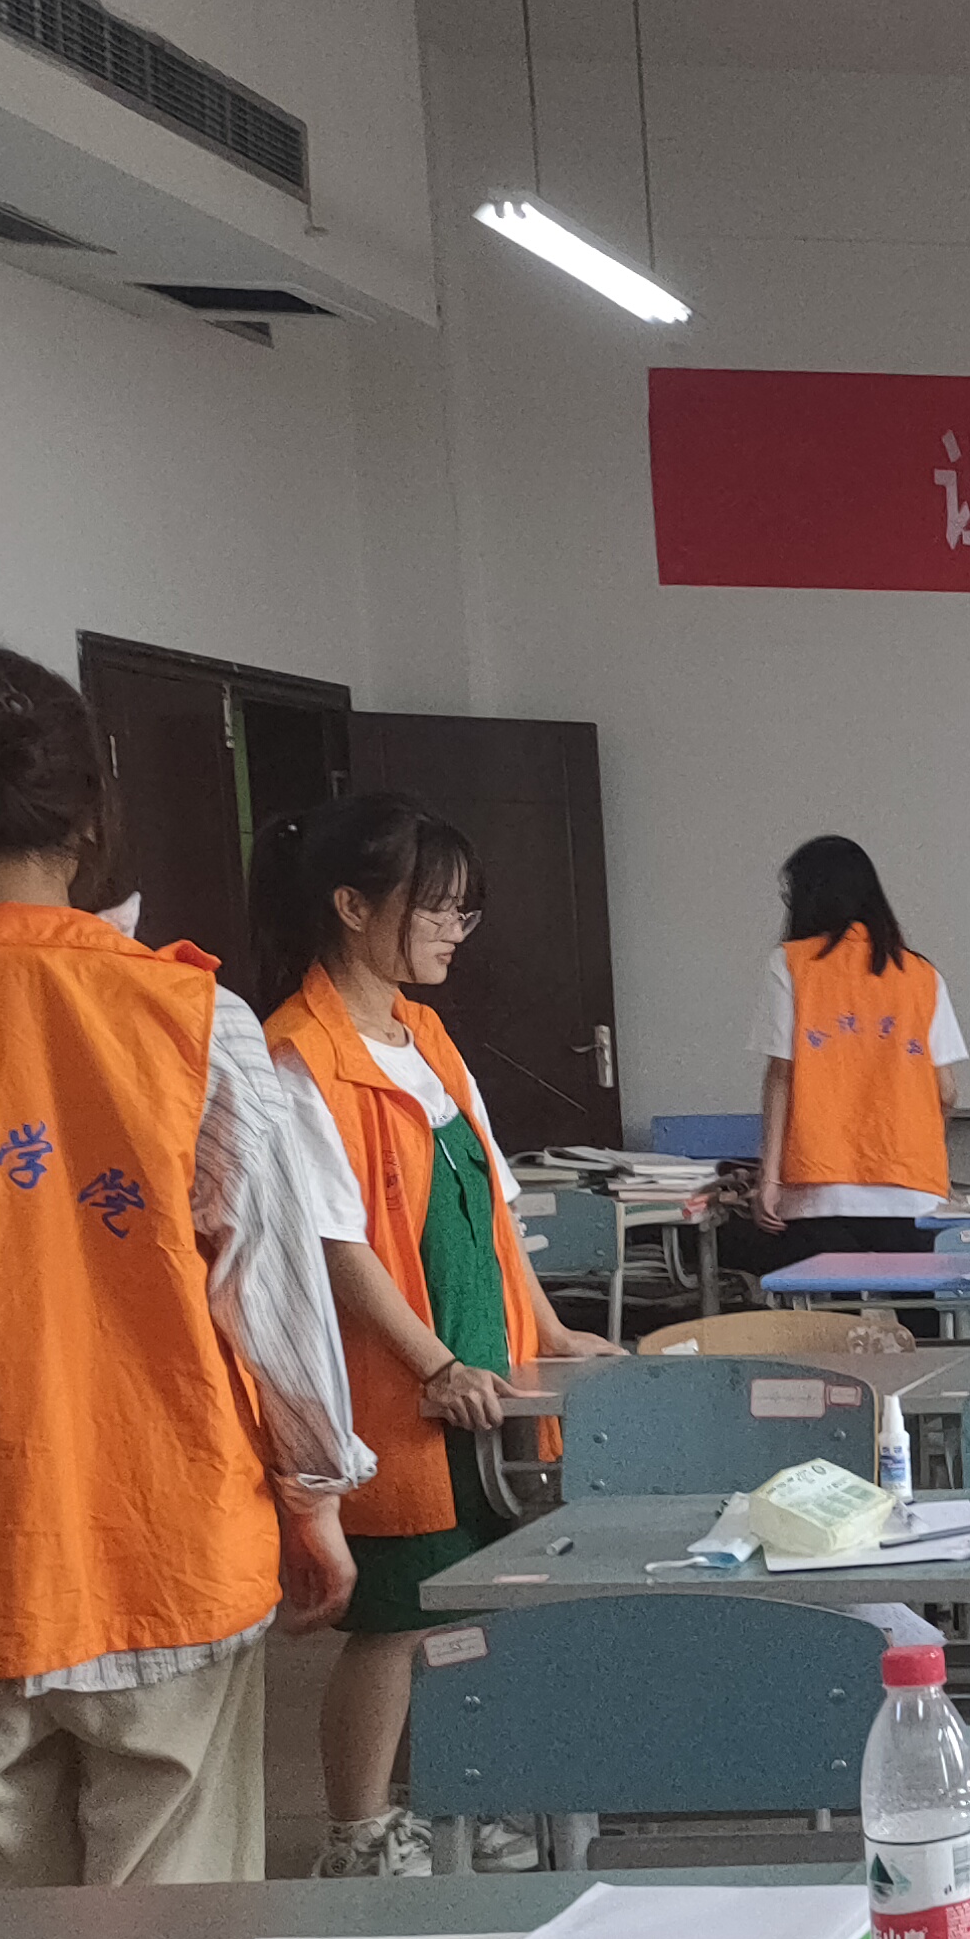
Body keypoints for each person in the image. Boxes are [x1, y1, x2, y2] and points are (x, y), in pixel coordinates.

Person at [0, 638, 366, 1890]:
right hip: (163, 1542)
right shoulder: (187, 1018)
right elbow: (271, 1292)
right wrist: (315, 1493)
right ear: (90, 818)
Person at [257, 795, 620, 1877]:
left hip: (481, 1367)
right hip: (398, 1381)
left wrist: (548, 1331)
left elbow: (493, 1205)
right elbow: (339, 1247)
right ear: (352, 905)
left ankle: (458, 1801)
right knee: (398, 1616)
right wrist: (437, 1363)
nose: (456, 932)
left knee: (475, 1603)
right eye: (437, 910)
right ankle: (360, 1833)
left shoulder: (427, 1036)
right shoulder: (299, 1053)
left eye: (465, 912)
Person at [743, 835, 965, 1276]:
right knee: (916, 1311)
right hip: (910, 1183)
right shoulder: (922, 975)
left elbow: (782, 1076)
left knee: (828, 1313)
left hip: (819, 1184)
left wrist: (769, 1179)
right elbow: (947, 1092)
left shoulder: (791, 964)